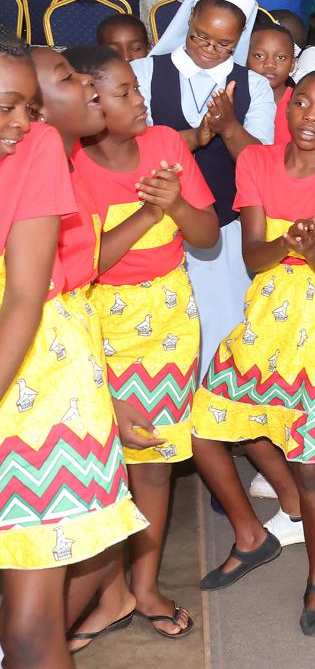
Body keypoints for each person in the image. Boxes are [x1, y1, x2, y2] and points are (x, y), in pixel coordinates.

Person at [191, 70, 315, 634]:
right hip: (269, 308)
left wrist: (309, 248)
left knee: (314, 458)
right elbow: (254, 258)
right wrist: (288, 243)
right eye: (301, 103)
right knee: (207, 427)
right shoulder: (256, 163)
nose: (310, 116)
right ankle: (254, 534)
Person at [0, 38, 150, 665]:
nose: (22, 121)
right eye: (12, 107)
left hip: (32, 388)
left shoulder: (35, 152)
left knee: (34, 617)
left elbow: (32, 300)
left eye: (29, 105)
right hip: (46, 371)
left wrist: (110, 403)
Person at [65, 45, 218, 644]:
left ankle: (143, 583)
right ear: (90, 101)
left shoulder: (166, 147)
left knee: (152, 460)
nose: (141, 100)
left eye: (137, 87)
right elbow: (83, 265)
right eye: (124, 91)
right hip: (99, 319)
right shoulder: (72, 167)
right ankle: (111, 593)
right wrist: (149, 214)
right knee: (103, 463)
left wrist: (175, 201)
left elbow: (205, 235)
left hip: (169, 314)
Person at [129, 0, 275, 372]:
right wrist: (196, 136)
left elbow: (260, 164)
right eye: (201, 37)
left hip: (227, 232)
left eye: (223, 44)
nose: (209, 49)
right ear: (188, 21)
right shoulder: (142, 72)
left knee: (221, 338)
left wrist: (229, 127)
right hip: (153, 227)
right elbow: (133, 150)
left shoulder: (255, 86)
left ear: (238, 40)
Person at [248, 19, 296, 147]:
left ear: (292, 64)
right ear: (245, 58)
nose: (269, 64)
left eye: (280, 57)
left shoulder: (301, 105)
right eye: (259, 56)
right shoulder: (236, 99)